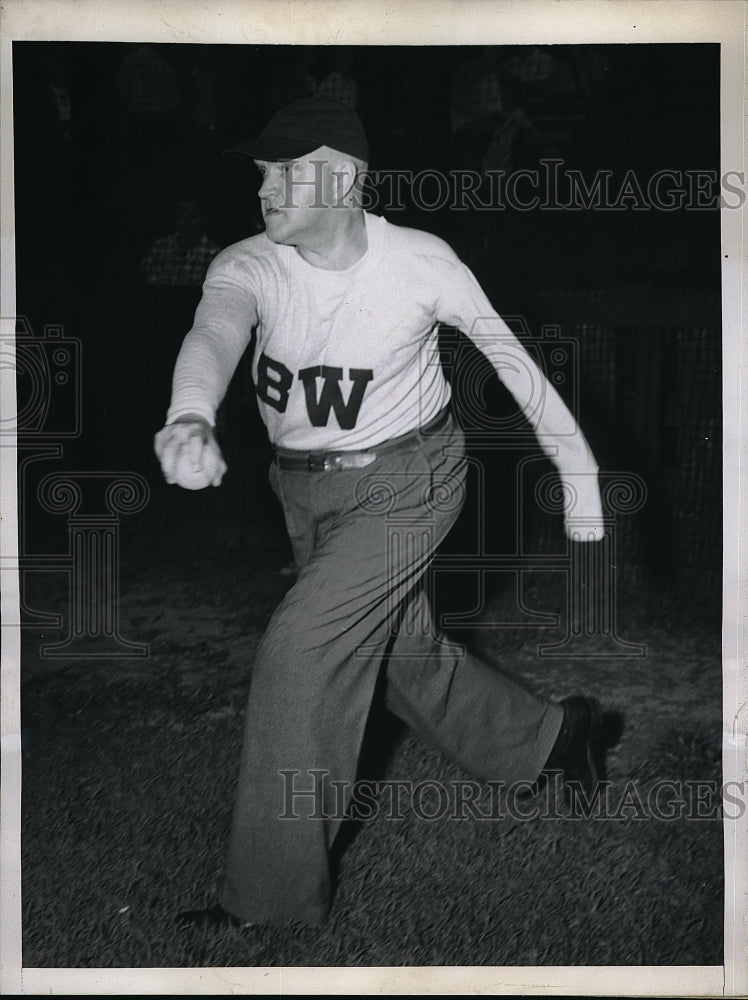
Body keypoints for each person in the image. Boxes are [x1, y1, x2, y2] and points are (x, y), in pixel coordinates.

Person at [154, 96, 607, 930]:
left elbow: (513, 364)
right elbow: (212, 334)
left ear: (347, 179)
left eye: (287, 173)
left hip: (411, 480)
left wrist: (578, 482)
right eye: (263, 174)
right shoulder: (249, 263)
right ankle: (554, 740)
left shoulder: (420, 264)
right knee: (400, 656)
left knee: (298, 651)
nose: (267, 190)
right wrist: (190, 413)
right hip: (304, 485)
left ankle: (272, 901)